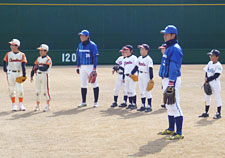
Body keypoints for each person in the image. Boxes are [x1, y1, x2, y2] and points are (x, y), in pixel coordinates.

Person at [158, 25, 184, 140]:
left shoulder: (175, 48)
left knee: (175, 104)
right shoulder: (169, 48)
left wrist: (170, 83)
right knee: (168, 104)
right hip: (166, 79)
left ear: (173, 35)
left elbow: (174, 67)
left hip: (171, 80)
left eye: (166, 34)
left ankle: (179, 132)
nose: (164, 36)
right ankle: (171, 129)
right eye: (164, 34)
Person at [76, 30, 99, 108]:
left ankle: (96, 102)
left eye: (83, 36)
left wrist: (94, 69)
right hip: (83, 66)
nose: (81, 37)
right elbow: (78, 56)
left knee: (94, 83)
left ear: (87, 36)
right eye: (80, 35)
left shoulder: (92, 45)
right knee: (83, 84)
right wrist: (78, 67)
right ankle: (83, 102)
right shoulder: (80, 45)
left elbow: (95, 57)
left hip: (90, 66)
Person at [3, 39, 27, 111]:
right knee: (11, 89)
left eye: (13, 45)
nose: (11, 46)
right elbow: (4, 61)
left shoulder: (22, 54)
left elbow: (23, 64)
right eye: (11, 45)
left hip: (18, 73)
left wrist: (24, 74)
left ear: (17, 46)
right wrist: (5, 69)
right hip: (10, 73)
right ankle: (14, 105)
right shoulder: (8, 54)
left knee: (20, 89)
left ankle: (21, 104)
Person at [199, 49, 223, 119]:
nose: (211, 56)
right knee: (207, 97)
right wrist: (206, 78)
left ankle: (218, 113)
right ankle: (206, 112)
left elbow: (216, 75)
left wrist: (208, 79)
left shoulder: (218, 65)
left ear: (217, 57)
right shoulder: (209, 63)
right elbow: (206, 71)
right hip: (209, 83)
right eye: (210, 55)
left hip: (215, 84)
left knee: (217, 97)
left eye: (212, 55)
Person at [130, 44, 154, 112]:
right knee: (141, 91)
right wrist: (132, 73)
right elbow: (136, 67)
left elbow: (150, 69)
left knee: (147, 91)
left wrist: (151, 78)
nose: (141, 50)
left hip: (146, 75)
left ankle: (149, 106)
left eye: (142, 49)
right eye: (140, 49)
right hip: (140, 75)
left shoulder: (149, 59)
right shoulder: (139, 58)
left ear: (146, 50)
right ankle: (143, 105)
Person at [30, 44, 52, 112]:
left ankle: (48, 105)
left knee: (45, 91)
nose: (40, 52)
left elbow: (45, 68)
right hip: (38, 75)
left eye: (42, 50)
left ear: (46, 51)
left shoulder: (48, 59)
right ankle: (37, 105)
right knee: (37, 91)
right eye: (40, 50)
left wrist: (38, 67)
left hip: (44, 75)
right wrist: (31, 75)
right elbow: (34, 67)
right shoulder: (38, 58)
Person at [122, 45, 138, 110]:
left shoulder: (134, 58)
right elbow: (124, 69)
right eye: (125, 50)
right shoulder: (125, 59)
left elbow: (137, 66)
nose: (126, 51)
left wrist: (133, 74)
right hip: (126, 76)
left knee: (132, 90)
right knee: (128, 91)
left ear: (131, 51)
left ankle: (134, 104)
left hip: (132, 76)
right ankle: (130, 103)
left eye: (127, 50)